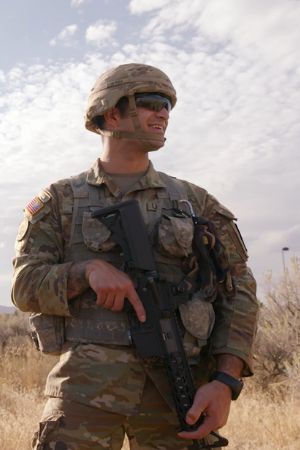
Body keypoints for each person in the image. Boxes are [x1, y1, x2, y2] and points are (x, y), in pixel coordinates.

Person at [12, 63, 259, 450]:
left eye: (168, 106)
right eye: (151, 103)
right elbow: (24, 286)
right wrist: (86, 272)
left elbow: (239, 290)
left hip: (177, 395)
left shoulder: (195, 202)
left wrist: (225, 381)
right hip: (84, 393)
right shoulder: (60, 200)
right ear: (111, 111)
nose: (163, 113)